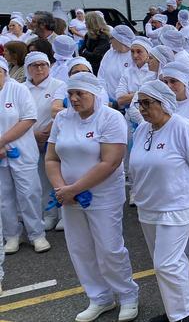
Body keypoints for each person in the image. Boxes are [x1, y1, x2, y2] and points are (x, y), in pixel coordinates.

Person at [44, 72, 139, 322]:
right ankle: (99, 297)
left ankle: (128, 295)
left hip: (103, 195)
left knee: (109, 248)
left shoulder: (111, 118)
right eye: (70, 94)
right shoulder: (62, 119)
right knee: (80, 249)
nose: (74, 99)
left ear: (95, 94)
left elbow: (110, 162)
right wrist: (61, 189)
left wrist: (73, 189)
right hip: (68, 197)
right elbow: (51, 158)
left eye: (80, 94)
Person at [128, 80, 189, 322]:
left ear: (164, 103)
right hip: (149, 207)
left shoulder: (183, 128)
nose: (142, 108)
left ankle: (183, 316)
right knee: (168, 264)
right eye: (140, 103)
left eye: (147, 103)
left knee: (166, 264)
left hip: (176, 207)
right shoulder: (143, 129)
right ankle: (176, 311)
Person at [0, 57, 50, 255]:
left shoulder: (18, 89)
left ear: (4, 71)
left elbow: (28, 119)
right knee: (4, 197)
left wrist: (2, 142)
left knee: (29, 193)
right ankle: (11, 235)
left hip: (23, 151)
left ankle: (36, 234)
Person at [23, 51, 66, 231]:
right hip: (29, 140)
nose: (40, 69)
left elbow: (60, 111)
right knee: (41, 180)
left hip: (54, 139)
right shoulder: (21, 88)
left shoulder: (59, 84)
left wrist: (48, 132)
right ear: (28, 69)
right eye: (35, 65)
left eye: (44, 65)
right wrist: (34, 135)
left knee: (60, 176)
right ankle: (49, 214)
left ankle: (64, 214)